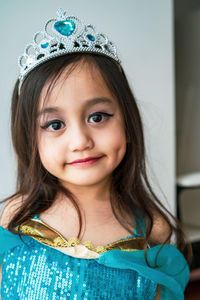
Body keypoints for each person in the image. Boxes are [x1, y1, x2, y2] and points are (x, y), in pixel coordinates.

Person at [0, 8, 191, 300]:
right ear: (30, 140)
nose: (80, 141)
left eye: (98, 117)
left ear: (126, 121)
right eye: (55, 124)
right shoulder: (16, 216)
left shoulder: (153, 229)